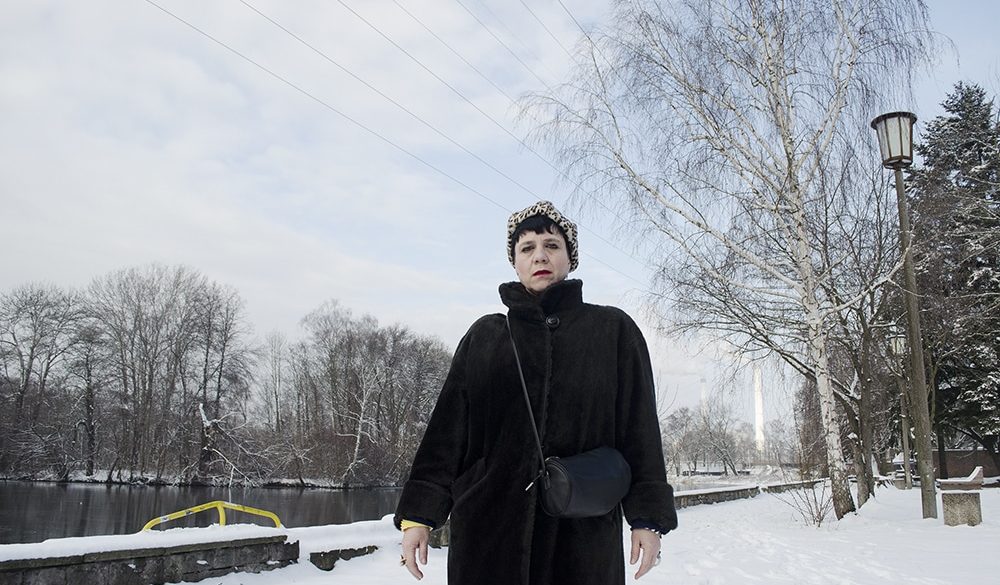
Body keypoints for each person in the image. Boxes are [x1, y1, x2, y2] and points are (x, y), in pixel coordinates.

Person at [395, 201, 677, 584]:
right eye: (527, 247)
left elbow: (639, 427)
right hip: (488, 534)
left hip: (582, 537)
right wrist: (418, 516)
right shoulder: (485, 337)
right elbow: (447, 432)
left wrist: (647, 518)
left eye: (552, 245)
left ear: (570, 257)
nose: (539, 256)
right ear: (514, 262)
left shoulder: (612, 331)